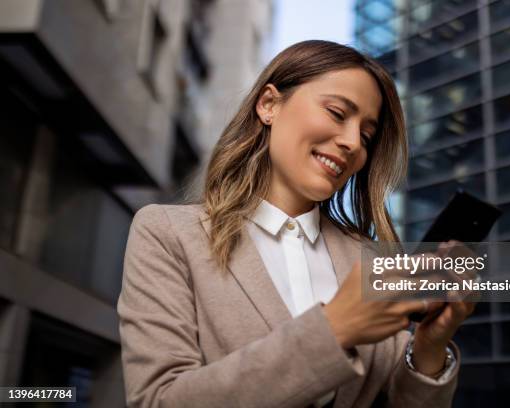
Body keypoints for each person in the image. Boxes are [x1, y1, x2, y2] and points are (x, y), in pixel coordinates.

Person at [117, 40, 475, 408]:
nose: (353, 143)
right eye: (337, 113)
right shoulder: (168, 234)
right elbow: (158, 401)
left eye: (366, 135)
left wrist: (428, 348)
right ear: (269, 104)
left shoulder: (369, 259)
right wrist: (335, 329)